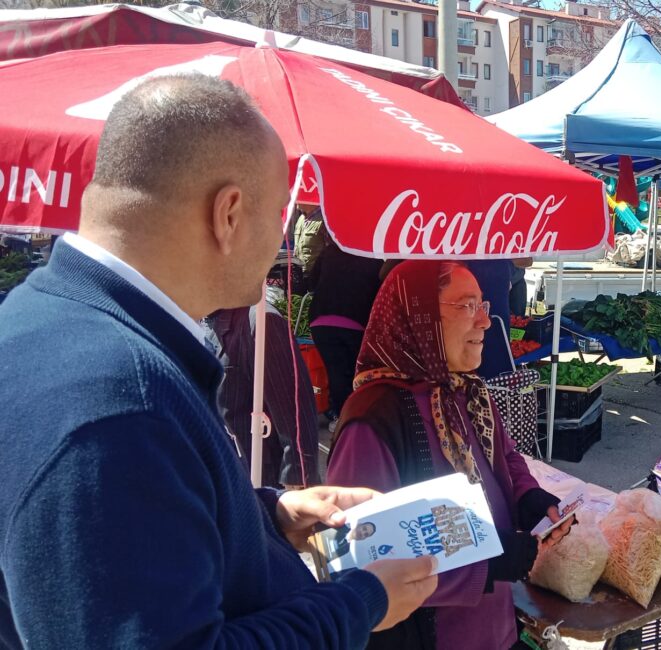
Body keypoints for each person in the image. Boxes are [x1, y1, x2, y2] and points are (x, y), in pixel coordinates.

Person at [0, 75, 438, 647]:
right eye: (281, 213)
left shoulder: (39, 313)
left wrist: (267, 517)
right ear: (229, 213)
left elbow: (142, 531)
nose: (283, 242)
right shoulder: (120, 405)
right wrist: (361, 600)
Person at [326, 260, 571, 650]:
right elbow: (360, 554)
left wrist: (529, 498)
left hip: (496, 630)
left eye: (483, 306)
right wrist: (487, 563)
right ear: (418, 318)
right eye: (466, 306)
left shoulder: (469, 392)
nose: (485, 322)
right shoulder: (375, 416)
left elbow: (505, 459)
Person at [204, 300, 321, 489]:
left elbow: (294, 407)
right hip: (224, 473)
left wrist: (298, 478)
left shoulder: (261, 321)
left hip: (261, 478)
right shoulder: (203, 320)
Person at [309, 233, 385, 430]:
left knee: (336, 373)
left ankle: (341, 414)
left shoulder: (330, 251)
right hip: (355, 322)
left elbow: (310, 282)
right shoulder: (373, 256)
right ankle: (351, 418)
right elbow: (380, 291)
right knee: (356, 374)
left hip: (321, 320)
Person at [293, 203, 325, 278]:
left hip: (318, 276)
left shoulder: (324, 219)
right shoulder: (301, 219)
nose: (296, 201)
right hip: (300, 273)